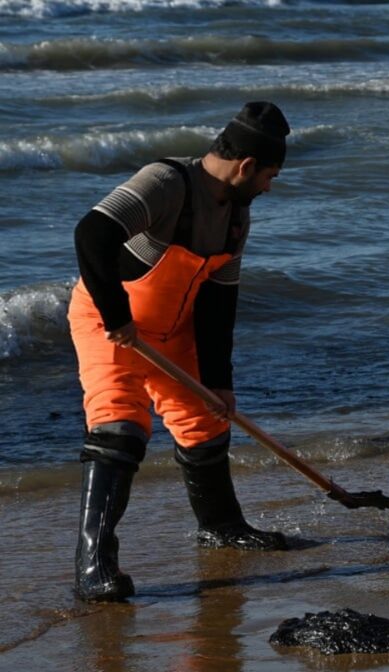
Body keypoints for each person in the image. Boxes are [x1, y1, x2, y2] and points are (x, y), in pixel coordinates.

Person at [68, 102, 291, 603]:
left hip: (175, 330)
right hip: (110, 325)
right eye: (269, 176)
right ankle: (93, 565)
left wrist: (220, 382)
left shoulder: (237, 217)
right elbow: (91, 234)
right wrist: (116, 315)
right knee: (121, 429)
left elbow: (218, 303)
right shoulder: (165, 182)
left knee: (208, 421)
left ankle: (222, 526)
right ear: (245, 166)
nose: (268, 189)